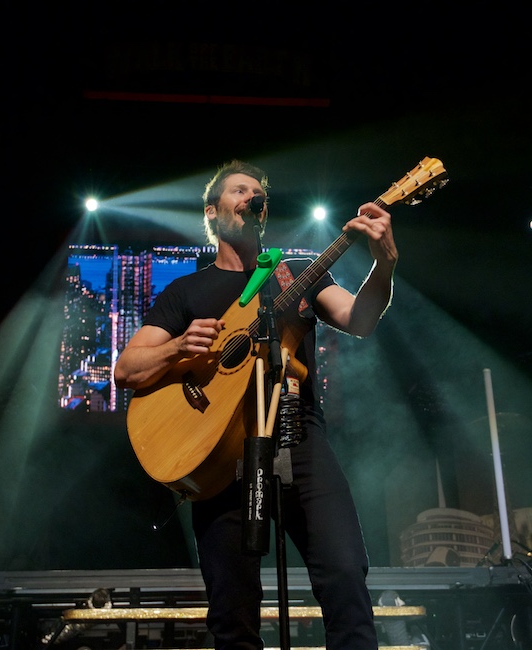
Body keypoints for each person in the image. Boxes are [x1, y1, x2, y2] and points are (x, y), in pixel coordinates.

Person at [113, 160, 397, 650]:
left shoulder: (295, 274)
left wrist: (385, 264)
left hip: (298, 432)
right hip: (220, 450)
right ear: (213, 212)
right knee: (233, 606)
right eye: (239, 191)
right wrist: (178, 347)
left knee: (346, 574)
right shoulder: (186, 291)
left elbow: (359, 319)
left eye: (257, 192)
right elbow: (127, 370)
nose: (251, 196)